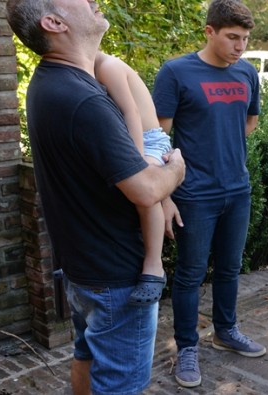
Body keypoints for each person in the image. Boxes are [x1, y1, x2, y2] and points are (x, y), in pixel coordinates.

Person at [6, 0, 186, 394]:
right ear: (53, 22)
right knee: (120, 383)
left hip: (84, 270)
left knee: (86, 355)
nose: (94, 1)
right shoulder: (82, 99)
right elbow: (145, 188)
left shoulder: (51, 83)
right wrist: (177, 168)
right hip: (116, 279)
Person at [152, 0, 264, 388]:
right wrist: (165, 194)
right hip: (194, 194)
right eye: (233, 37)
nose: (240, 46)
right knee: (190, 274)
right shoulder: (176, 72)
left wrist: (222, 151)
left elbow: (249, 122)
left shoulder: (248, 73)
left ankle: (225, 331)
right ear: (209, 31)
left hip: (238, 189)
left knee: (231, 268)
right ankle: (186, 347)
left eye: (245, 39)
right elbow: (158, 138)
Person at [94, 52, 173, 306]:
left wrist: (137, 161)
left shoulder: (108, 66)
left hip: (150, 140)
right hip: (133, 139)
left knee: (145, 196)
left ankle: (154, 266)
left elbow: (132, 113)